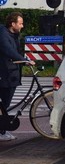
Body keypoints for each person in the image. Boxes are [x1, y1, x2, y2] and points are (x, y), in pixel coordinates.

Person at [0, 12, 34, 141]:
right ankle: (2, 131)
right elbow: (8, 50)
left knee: (4, 104)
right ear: (12, 24)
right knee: (4, 104)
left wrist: (24, 59)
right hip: (5, 74)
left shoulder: (14, 35)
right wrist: (24, 60)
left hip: (11, 74)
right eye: (20, 23)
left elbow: (16, 51)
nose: (22, 26)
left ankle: (2, 130)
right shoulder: (3, 34)